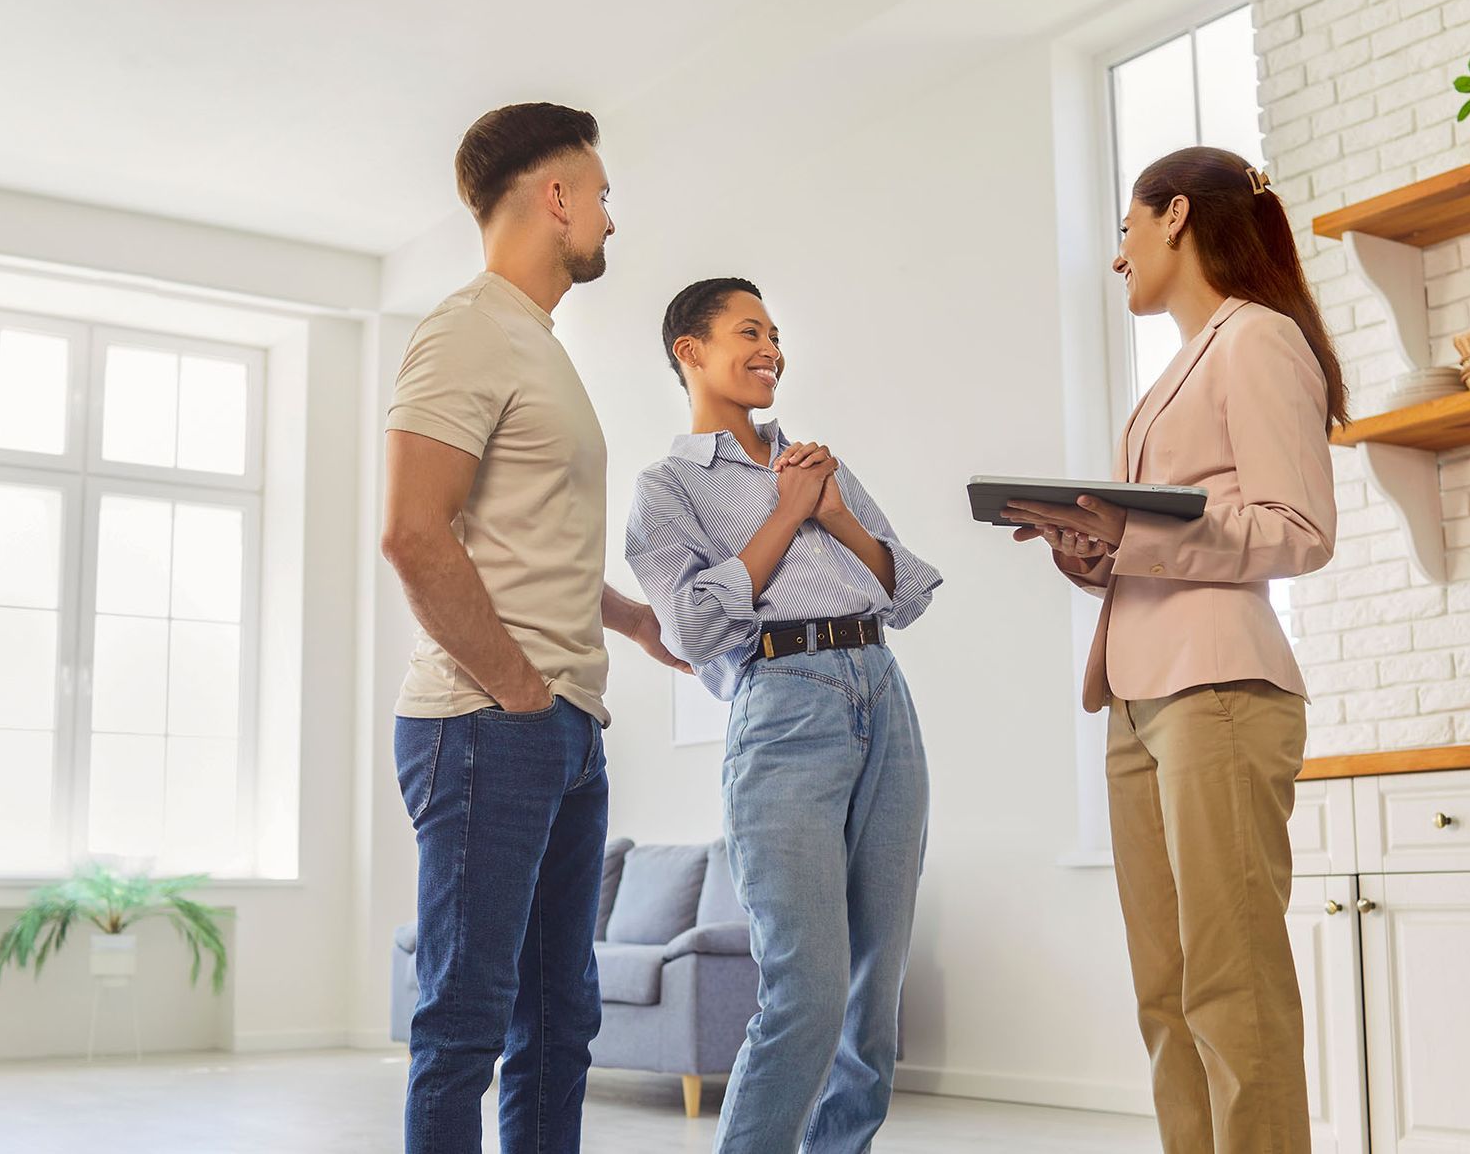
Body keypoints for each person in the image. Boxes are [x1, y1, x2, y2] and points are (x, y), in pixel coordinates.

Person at [1005, 146, 1345, 1154]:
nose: (1117, 259)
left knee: (1233, 983)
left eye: (1124, 229)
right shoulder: (1176, 372)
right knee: (1168, 992)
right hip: (1139, 693)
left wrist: (1135, 536)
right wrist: (1094, 556)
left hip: (1221, 690)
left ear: (1175, 217)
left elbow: (1299, 527)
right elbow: (1172, 540)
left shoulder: (1257, 340)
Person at [380, 101, 688, 1154]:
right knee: (466, 1022)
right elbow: (415, 534)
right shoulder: (466, 328)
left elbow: (518, 538)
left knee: (560, 1023)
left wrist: (629, 617)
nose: (609, 215)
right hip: (486, 720)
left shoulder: (535, 345)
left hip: (563, 722)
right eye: (599, 193)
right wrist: (517, 688)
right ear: (554, 196)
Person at [624, 278, 942, 1153]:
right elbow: (690, 629)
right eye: (749, 331)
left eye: (775, 334)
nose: (772, 349)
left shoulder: (813, 461)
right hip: (785, 705)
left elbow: (904, 587)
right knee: (806, 989)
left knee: (876, 995)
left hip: (882, 686)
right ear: (690, 351)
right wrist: (786, 516)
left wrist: (830, 508)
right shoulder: (667, 490)